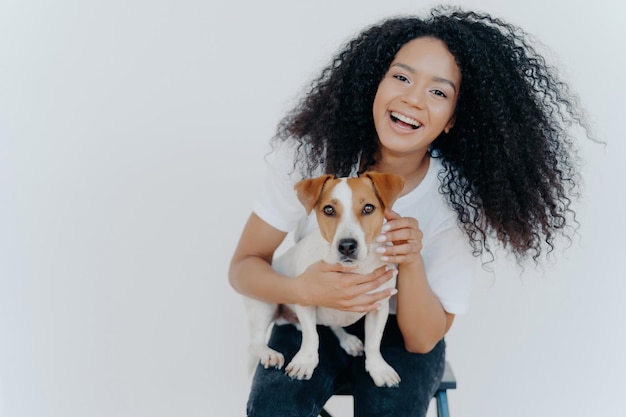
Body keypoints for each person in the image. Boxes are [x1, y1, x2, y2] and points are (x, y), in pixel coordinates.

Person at [229, 6, 592, 417]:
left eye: (438, 92)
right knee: (274, 407)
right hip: (308, 315)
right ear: (375, 83)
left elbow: (422, 340)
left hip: (399, 329)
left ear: (454, 119)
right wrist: (302, 291)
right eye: (401, 77)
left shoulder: (458, 199)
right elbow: (243, 267)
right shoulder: (309, 156)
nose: (412, 99)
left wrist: (411, 261)